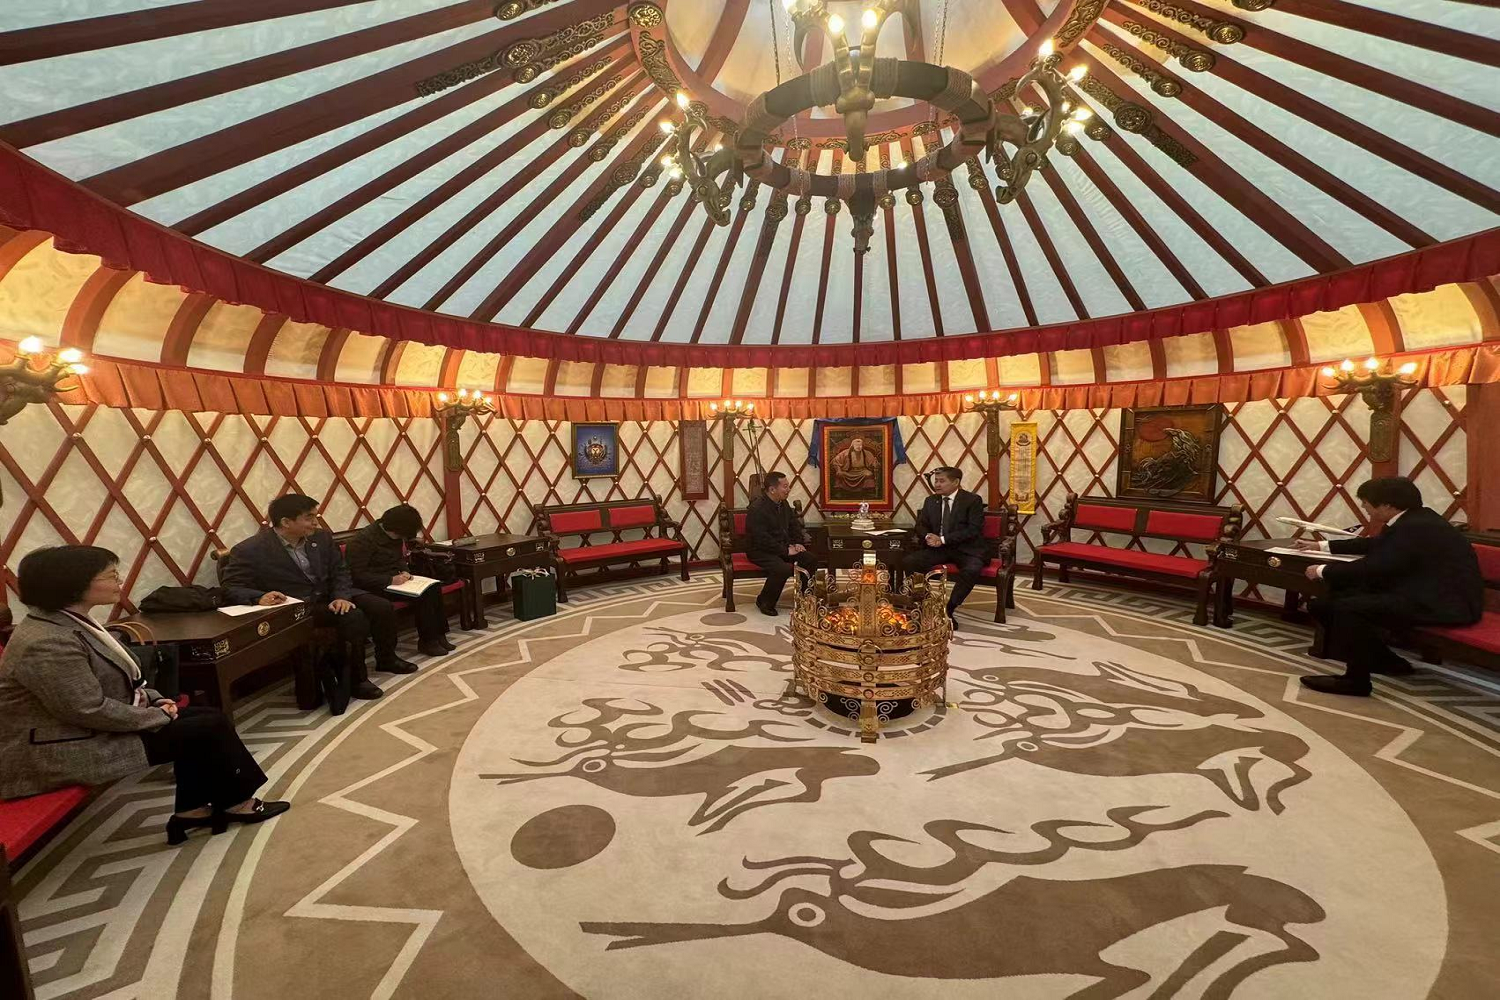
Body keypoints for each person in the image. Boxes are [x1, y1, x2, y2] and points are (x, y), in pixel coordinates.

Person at [0, 546, 289, 845]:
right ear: (74, 585)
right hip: (57, 748)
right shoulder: (46, 642)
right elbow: (85, 709)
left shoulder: (69, 622)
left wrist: (154, 699)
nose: (119, 581)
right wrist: (156, 715)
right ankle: (236, 803)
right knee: (204, 727)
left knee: (205, 717)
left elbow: (121, 680)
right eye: (110, 575)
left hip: (83, 727)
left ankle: (193, 810)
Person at [1295, 476, 1482, 696]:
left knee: (1349, 608)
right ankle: (1386, 661)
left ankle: (1356, 681)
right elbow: (1377, 545)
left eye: (1366, 502)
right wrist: (1322, 545)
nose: (1364, 507)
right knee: (1324, 605)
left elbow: (1377, 566)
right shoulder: (1416, 520)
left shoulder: (1416, 527)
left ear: (1386, 505)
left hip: (1442, 603)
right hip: (1423, 593)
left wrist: (1322, 571)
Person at [223, 494, 417, 701]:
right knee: (353, 617)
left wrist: (341, 596)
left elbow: (340, 570)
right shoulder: (251, 550)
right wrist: (259, 597)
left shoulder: (321, 538)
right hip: (300, 606)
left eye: (315, 516)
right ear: (286, 522)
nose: (315, 522)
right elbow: (231, 586)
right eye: (309, 517)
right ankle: (357, 680)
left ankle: (387, 658)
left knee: (380, 606)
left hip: (330, 594)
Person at [344, 504, 455, 658]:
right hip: (374, 586)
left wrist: (405, 571)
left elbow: (398, 559)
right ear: (395, 529)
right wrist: (389, 579)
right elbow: (357, 575)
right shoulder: (362, 541)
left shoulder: (394, 535)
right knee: (423, 595)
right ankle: (428, 641)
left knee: (433, 587)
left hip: (397, 583)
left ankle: (438, 635)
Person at [901, 466, 987, 628]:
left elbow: (973, 530)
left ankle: (949, 609)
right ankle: (925, 602)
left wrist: (943, 539)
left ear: (956, 482)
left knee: (972, 569)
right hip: (938, 548)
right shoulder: (931, 501)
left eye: (942, 481)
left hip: (965, 549)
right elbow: (920, 525)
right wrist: (928, 536)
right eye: (936, 481)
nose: (937, 485)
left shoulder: (972, 500)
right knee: (909, 561)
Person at [746, 472, 818, 616]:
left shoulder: (783, 504)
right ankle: (764, 601)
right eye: (785, 486)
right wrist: (785, 551)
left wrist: (797, 542)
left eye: (788, 486)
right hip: (760, 551)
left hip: (782, 547)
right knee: (782, 568)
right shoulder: (757, 509)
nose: (788, 489)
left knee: (810, 559)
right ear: (772, 489)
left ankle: (804, 598)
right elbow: (761, 538)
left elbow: (794, 525)